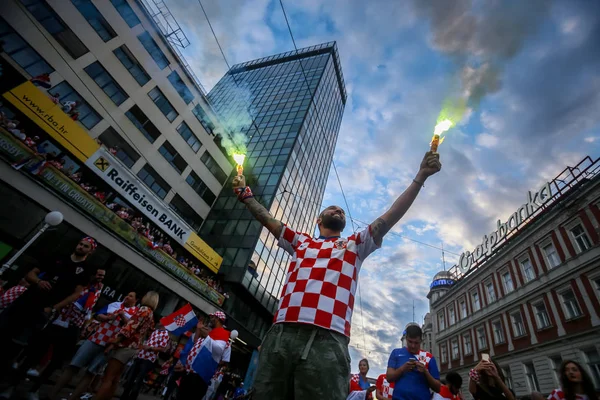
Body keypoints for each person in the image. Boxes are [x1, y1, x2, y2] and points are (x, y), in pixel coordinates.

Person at [235, 151, 441, 400]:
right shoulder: (300, 241)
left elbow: (390, 216)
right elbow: (268, 220)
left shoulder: (355, 245)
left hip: (327, 339)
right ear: (319, 219)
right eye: (332, 209)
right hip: (281, 335)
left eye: (342, 211)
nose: (339, 210)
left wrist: (420, 177)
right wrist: (245, 195)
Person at [0, 237, 97, 374]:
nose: (81, 247)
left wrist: (54, 308)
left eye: (85, 246)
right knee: (4, 329)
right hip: (26, 300)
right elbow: (31, 274)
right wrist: (39, 282)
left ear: (90, 251)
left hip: (44, 308)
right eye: (80, 244)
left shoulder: (86, 270)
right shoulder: (58, 256)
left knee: (19, 342)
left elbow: (76, 294)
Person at [5, 269, 105, 400]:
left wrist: (83, 327)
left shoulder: (97, 290)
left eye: (102, 276)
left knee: (55, 362)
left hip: (72, 327)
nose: (100, 277)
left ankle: (34, 389)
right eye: (98, 274)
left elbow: (88, 310)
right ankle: (11, 386)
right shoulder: (77, 284)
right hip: (57, 322)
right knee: (33, 354)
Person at [48, 292, 139, 400]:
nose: (127, 297)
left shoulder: (136, 314)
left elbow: (131, 328)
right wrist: (107, 318)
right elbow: (98, 315)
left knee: (90, 374)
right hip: (95, 339)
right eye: (127, 294)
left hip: (108, 346)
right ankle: (51, 396)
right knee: (73, 366)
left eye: (130, 296)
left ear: (136, 300)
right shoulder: (115, 304)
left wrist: (122, 315)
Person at [95, 291, 159, 400]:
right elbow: (149, 331)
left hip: (125, 345)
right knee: (115, 378)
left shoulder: (143, 310)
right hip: (134, 348)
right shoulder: (151, 314)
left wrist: (116, 339)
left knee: (108, 377)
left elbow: (131, 327)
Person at [179, 312, 232, 400]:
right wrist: (198, 329)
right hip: (189, 372)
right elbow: (196, 343)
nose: (210, 319)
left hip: (199, 376)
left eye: (212, 317)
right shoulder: (209, 333)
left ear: (217, 319)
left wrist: (207, 336)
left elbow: (219, 351)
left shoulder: (222, 337)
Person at [121, 318, 171, 400]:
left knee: (139, 380)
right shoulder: (155, 331)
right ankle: (124, 396)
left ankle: (132, 397)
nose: (159, 321)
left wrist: (150, 348)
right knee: (131, 377)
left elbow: (163, 349)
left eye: (161, 320)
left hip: (149, 359)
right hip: (141, 356)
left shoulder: (165, 335)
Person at [386, 325, 441, 400]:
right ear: (406, 339)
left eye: (416, 343)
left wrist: (425, 372)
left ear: (421, 341)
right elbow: (389, 377)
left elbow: (438, 388)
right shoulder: (396, 353)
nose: (413, 346)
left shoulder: (429, 357)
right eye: (410, 342)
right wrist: (403, 369)